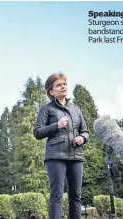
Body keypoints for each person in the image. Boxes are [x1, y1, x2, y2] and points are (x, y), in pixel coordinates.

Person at [33, 72, 89, 219]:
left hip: (76, 155)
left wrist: (82, 138)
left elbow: (85, 131)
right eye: (59, 85)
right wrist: (56, 125)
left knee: (76, 196)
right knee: (57, 195)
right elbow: (37, 132)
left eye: (64, 84)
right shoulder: (46, 109)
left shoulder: (75, 109)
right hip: (55, 156)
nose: (63, 87)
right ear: (51, 91)